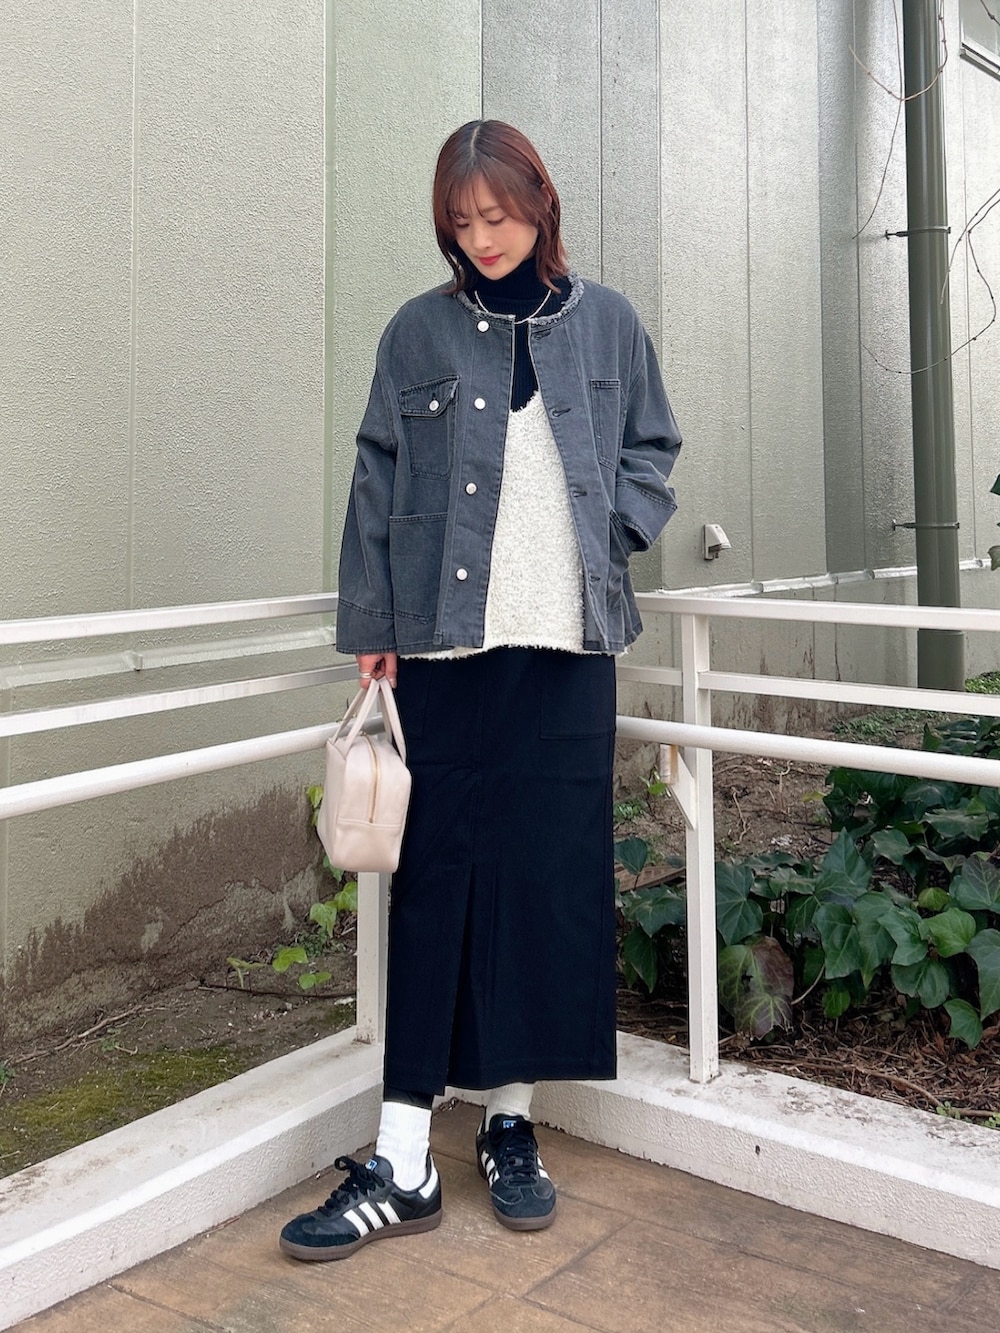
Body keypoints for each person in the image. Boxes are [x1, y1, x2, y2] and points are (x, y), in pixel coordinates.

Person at [279, 120, 681, 1262]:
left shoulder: (608, 322)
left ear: (539, 205)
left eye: (497, 216)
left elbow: (652, 448)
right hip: (445, 648)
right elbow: (375, 475)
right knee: (435, 884)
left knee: (543, 884)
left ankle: (511, 1122)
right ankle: (403, 1152)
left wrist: (614, 531)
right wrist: (371, 624)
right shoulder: (417, 330)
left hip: (567, 647)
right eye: (461, 222)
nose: (481, 238)